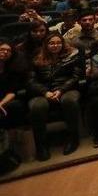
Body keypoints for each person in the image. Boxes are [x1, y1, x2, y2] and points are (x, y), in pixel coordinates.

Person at [28, 32, 82, 160]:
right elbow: (30, 81)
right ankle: (41, 146)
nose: (55, 45)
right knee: (37, 106)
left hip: (67, 89)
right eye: (51, 43)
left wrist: (61, 90)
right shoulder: (37, 58)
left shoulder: (72, 55)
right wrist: (44, 92)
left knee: (69, 101)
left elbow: (76, 76)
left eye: (58, 42)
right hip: (43, 91)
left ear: (62, 44)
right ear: (46, 45)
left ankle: (73, 139)